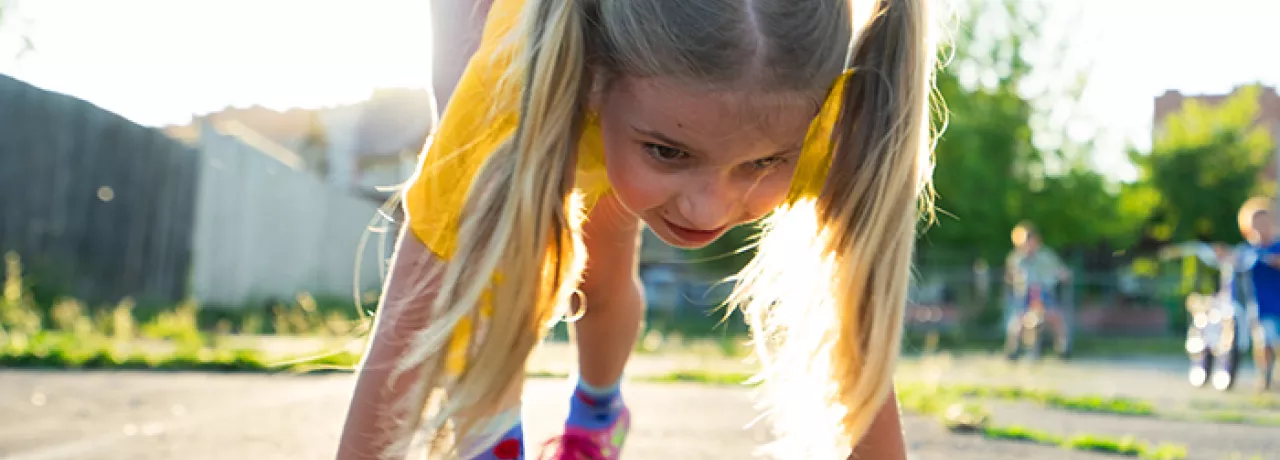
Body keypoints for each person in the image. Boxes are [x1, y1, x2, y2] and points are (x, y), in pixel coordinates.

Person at [336, 0, 939, 458]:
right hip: (515, 52)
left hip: (625, 85)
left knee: (601, 274)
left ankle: (598, 415)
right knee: (497, 234)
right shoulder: (499, 104)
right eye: (669, 152)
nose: (710, 211)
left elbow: (859, 352)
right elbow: (403, 344)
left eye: (761, 163)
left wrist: (668, 159)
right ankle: (488, 426)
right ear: (592, 81)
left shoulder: (824, 128)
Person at [1003, 222, 1072, 360]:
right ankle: (1013, 349)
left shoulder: (1046, 256)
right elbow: (1011, 278)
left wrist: (1063, 274)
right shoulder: (1016, 258)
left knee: (1056, 318)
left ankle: (1062, 348)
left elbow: (1060, 271)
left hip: (1044, 293)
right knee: (1019, 320)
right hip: (1025, 295)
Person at [1237, 198, 1278, 391]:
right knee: (1264, 341)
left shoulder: (1276, 247)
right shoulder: (1247, 250)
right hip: (1260, 304)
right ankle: (1265, 377)